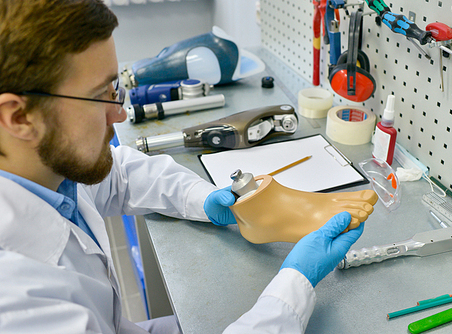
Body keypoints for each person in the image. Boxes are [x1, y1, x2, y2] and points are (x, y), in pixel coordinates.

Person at [0, 1, 372, 333]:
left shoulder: (42, 168)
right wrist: (293, 286)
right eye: (100, 96)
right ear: (18, 117)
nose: (120, 112)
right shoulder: (20, 303)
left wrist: (203, 197)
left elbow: (120, 174)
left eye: (115, 90)